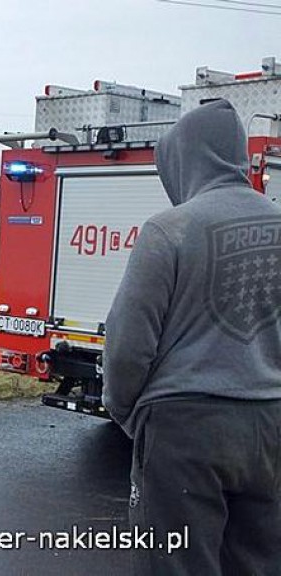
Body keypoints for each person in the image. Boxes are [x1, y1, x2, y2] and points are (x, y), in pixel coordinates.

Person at [103, 99, 281, 575]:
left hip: (184, 429)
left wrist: (127, 414)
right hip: (270, 425)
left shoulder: (169, 231)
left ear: (185, 158)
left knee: (175, 562)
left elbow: (127, 348)